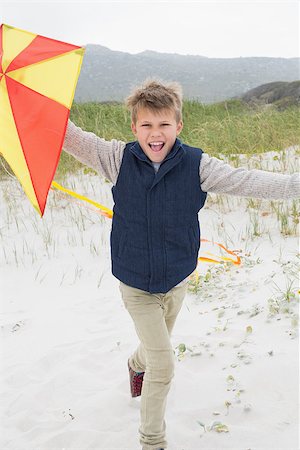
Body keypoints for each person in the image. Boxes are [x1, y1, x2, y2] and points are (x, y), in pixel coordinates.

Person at [63, 79, 299, 450]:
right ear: (134, 127)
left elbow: (247, 180)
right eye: (146, 125)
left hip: (177, 280)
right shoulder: (116, 158)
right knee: (164, 364)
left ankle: (135, 364)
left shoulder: (197, 165)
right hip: (136, 283)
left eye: (164, 125)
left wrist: (294, 185)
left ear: (179, 126)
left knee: (155, 348)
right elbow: (67, 134)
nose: (155, 134)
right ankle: (151, 441)